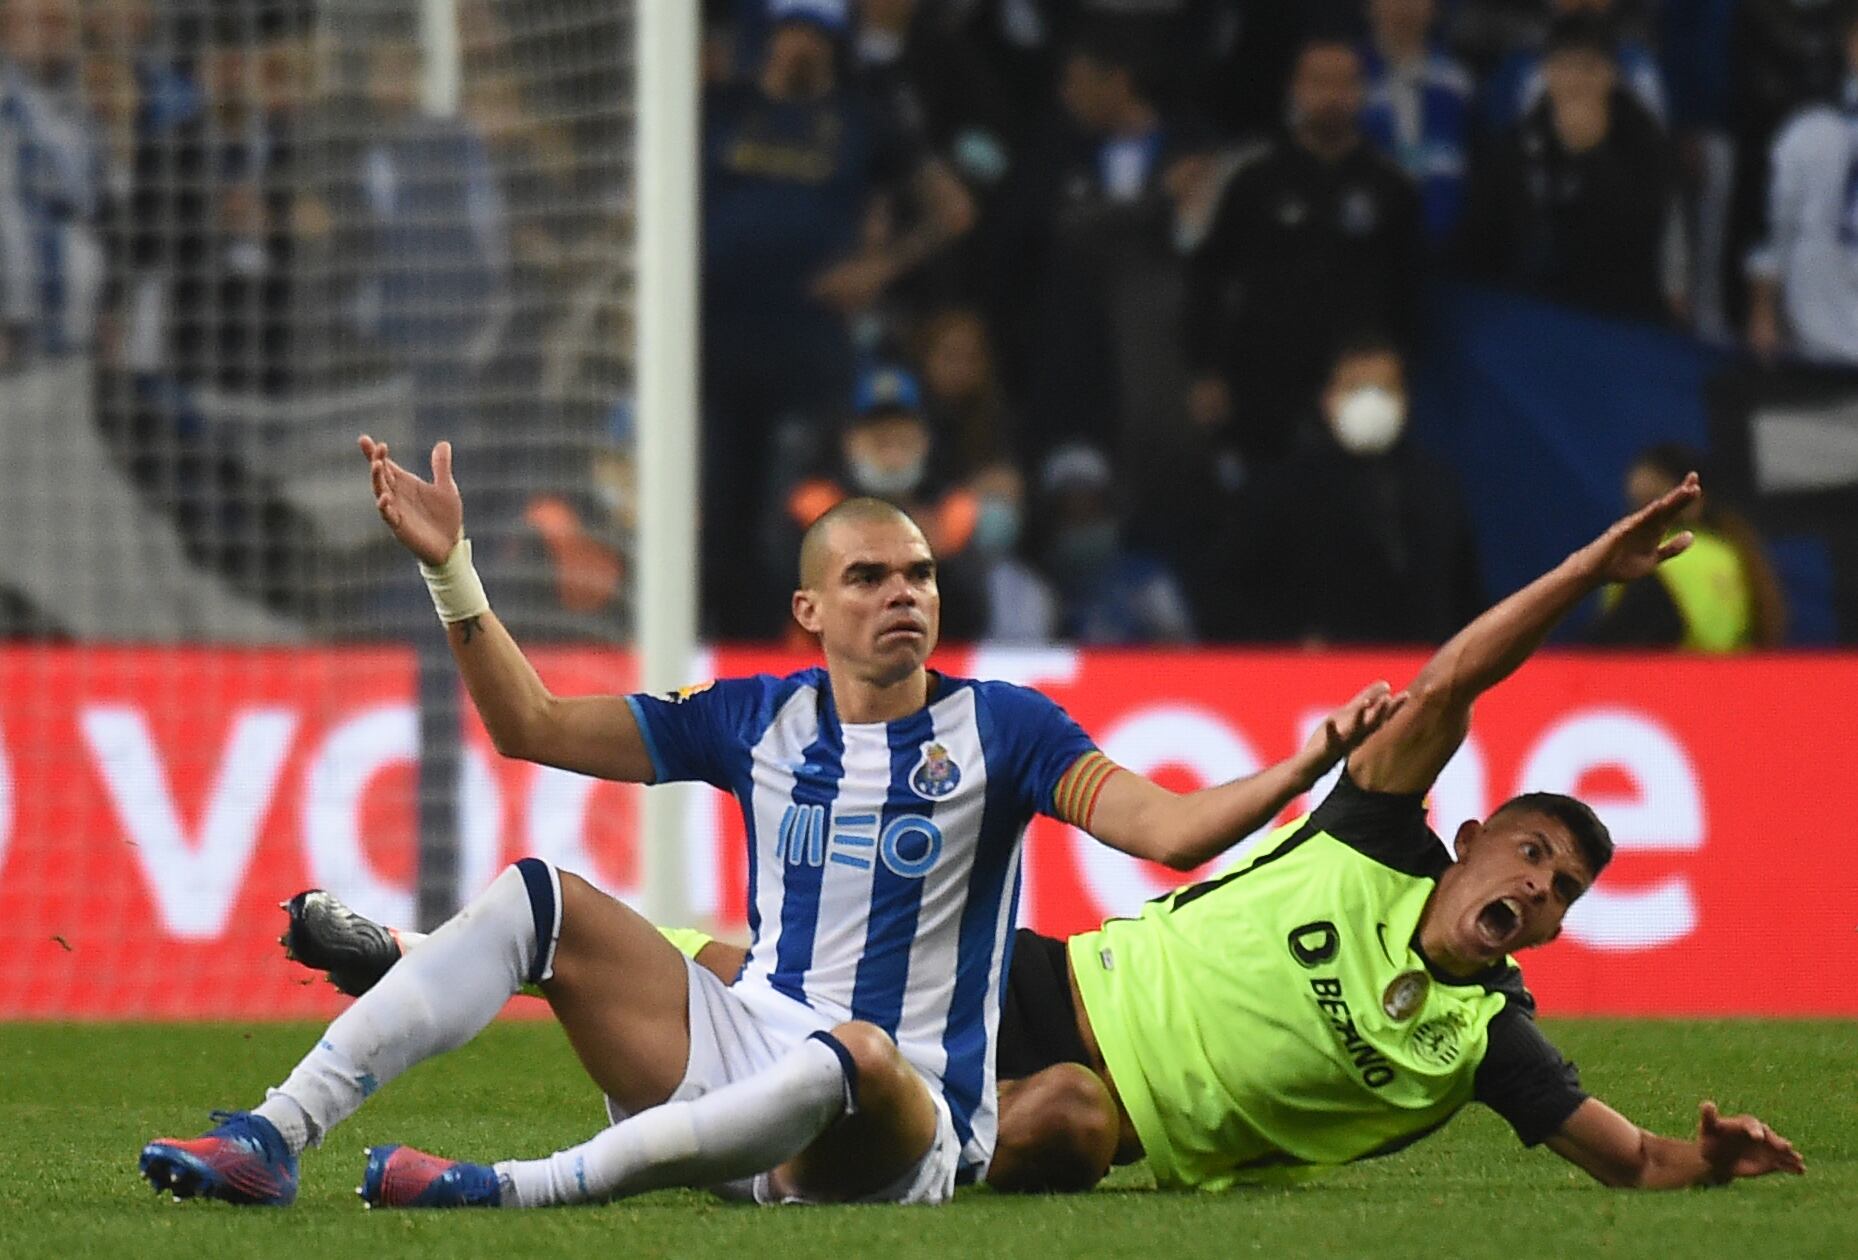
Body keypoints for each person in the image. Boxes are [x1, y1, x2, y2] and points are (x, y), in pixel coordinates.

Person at [285, 478, 1807, 1192]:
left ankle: (519, 1052)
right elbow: (1462, 670)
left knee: (1051, 1113)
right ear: (1469, 838)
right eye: (1529, 853)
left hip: (1103, 1103)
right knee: (767, 966)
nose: (1534, 891)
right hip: (1045, 979)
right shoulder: (1373, 831)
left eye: (1560, 891)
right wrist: (1586, 568)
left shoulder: (1488, 1044)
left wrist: (1710, 1162)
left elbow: (1630, 1167)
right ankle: (426, 963)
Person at [138, 432, 1402, 1209]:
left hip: (903, 1116)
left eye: (919, 575)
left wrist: (1308, 762)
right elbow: (528, 726)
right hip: (737, 1056)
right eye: (869, 577)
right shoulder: (753, 718)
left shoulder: (1005, 728)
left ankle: (516, 1191)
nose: (903, 595)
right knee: (538, 894)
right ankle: (273, 1136)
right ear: (811, 613)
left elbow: (1172, 833)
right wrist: (450, 571)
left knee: (852, 1050)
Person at [1184, 35, 1423, 465]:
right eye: (1319, 82)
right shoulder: (1253, 179)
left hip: (1358, 387)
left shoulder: (1391, 187)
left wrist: (1399, 369)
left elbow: (1408, 294)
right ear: (1295, 88)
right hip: (1263, 381)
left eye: (1344, 83)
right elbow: (1210, 276)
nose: (1331, 96)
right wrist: (1206, 370)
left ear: (1362, 91)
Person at [1197, 335, 1482, 644]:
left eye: (1385, 388)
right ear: (1328, 398)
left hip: (1422, 668)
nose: (1372, 402)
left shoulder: (1436, 484)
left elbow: (1465, 594)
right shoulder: (1286, 487)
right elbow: (1225, 590)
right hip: (1321, 679)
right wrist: (1289, 643)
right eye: (1356, 388)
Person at [1454, 12, 1682, 325]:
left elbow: (1640, 236)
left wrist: (1592, 156)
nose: (1575, 81)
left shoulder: (1643, 138)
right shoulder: (1521, 140)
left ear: (1611, 74)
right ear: (1546, 73)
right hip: (1538, 312)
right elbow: (1486, 232)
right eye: (1563, 67)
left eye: (1588, 68)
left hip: (1621, 316)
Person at [1743, 3, 1858, 368]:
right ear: (1850, 45)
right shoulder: (1808, 132)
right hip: (1815, 350)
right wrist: (1762, 313)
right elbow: (1773, 234)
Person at [1586, 444, 1787, 651]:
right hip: (1727, 679)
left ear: (1690, 501)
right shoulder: (1730, 554)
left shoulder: (1665, 561)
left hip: (1672, 680)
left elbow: (1611, 646)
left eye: (1648, 503)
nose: (1636, 519)